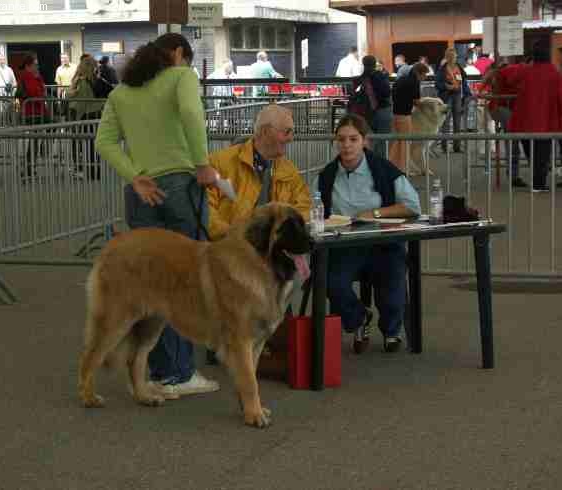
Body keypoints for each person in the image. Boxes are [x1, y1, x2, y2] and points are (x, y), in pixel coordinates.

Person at [95, 33, 220, 397]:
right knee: (189, 281)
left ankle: (156, 371)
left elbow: (102, 142)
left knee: (152, 285)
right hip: (182, 186)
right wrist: (202, 164)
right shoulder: (182, 77)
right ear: (179, 54)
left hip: (141, 193)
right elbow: (191, 113)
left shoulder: (120, 93)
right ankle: (181, 374)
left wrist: (135, 177)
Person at [312, 114, 421, 353]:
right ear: (335, 142)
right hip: (344, 246)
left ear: (365, 141)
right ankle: (359, 318)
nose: (347, 145)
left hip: (383, 244)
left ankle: (391, 330)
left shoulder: (384, 169)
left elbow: (413, 205)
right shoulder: (326, 176)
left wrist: (376, 213)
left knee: (392, 283)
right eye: (341, 139)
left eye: (353, 139)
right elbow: (313, 210)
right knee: (332, 283)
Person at [207, 104, 310, 240]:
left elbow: (303, 207)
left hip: (271, 251)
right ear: (266, 131)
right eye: (287, 132)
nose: (291, 138)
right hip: (228, 250)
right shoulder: (220, 163)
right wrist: (236, 236)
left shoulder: (289, 170)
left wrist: (280, 235)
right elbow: (206, 211)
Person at [502, 42, 562, 191]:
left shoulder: (525, 70)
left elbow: (508, 77)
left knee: (530, 150)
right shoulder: (554, 73)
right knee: (542, 153)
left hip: (523, 119)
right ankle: (539, 184)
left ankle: (537, 180)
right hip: (546, 120)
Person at [389, 62, 430, 172]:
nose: (425, 78)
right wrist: (427, 105)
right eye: (424, 75)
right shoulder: (414, 82)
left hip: (395, 113)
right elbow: (416, 101)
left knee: (397, 141)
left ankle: (392, 164)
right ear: (419, 73)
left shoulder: (402, 79)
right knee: (405, 143)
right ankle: (402, 168)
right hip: (404, 115)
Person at [352, 55, 392, 159]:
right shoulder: (379, 76)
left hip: (366, 114)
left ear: (363, 64)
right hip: (382, 111)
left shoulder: (360, 79)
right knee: (382, 142)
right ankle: (380, 165)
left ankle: (368, 162)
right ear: (375, 64)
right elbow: (386, 92)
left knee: (369, 140)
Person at [436, 48, 471, 153]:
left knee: (457, 122)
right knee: (445, 122)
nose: (452, 58)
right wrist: (446, 87)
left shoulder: (459, 68)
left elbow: (463, 82)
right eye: (450, 56)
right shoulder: (442, 69)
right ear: (447, 57)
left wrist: (467, 94)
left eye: (454, 56)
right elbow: (437, 84)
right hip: (446, 97)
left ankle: (457, 147)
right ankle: (444, 147)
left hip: (457, 96)